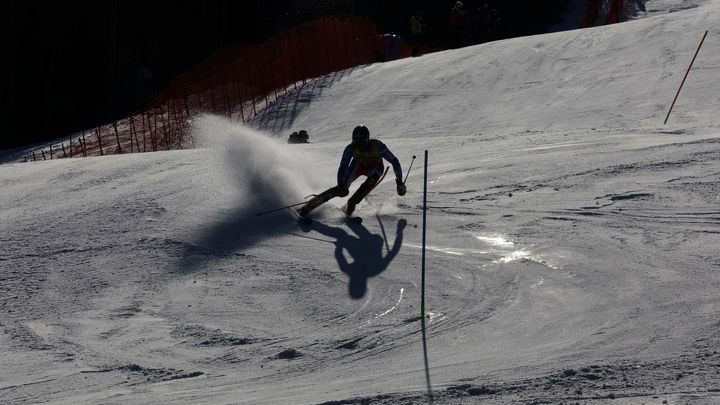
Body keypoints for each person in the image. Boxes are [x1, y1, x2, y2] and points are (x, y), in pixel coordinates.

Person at [298, 125, 406, 218]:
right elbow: (343, 167)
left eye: (362, 144)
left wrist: (399, 182)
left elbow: (394, 161)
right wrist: (341, 185)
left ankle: (351, 204)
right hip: (358, 165)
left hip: (375, 167)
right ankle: (309, 206)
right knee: (340, 190)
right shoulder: (350, 148)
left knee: (367, 185)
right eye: (357, 144)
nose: (360, 147)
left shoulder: (378, 146)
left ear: (368, 140)